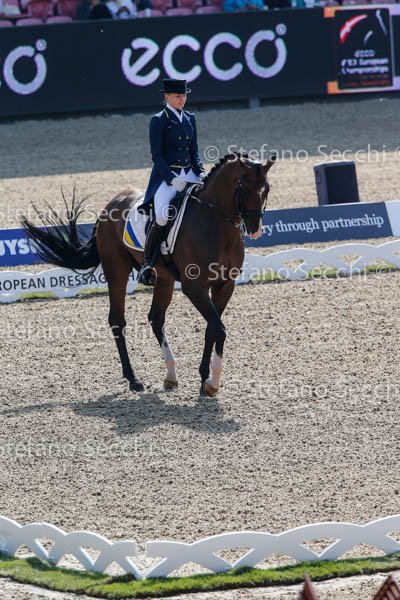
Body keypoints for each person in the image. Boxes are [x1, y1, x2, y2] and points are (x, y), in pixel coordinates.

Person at [137, 78, 206, 286]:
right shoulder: (158, 120)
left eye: (184, 96)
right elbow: (157, 156)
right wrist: (171, 179)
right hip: (168, 177)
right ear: (166, 97)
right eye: (177, 96)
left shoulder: (190, 118)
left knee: (212, 201)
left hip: (190, 173)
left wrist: (201, 172)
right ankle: (148, 263)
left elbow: (194, 151)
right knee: (161, 216)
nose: (181, 99)